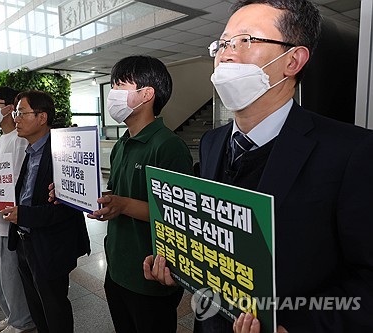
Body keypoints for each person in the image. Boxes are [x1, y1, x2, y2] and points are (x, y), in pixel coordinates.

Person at [144, 1, 373, 332]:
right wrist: (178, 266)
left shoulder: (350, 152)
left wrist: (295, 326)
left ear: (293, 60)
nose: (226, 54)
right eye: (223, 43)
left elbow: (366, 281)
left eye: (246, 40)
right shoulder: (211, 143)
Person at [88, 55, 193, 332]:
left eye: (120, 85)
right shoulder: (123, 143)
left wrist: (122, 205)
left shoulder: (168, 146)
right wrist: (98, 198)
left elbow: (177, 216)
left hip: (151, 274)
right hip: (118, 267)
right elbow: (121, 193)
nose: (112, 94)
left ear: (146, 94)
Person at [2, 90, 90, 333]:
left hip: (50, 244)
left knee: (54, 306)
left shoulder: (65, 152)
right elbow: (27, 193)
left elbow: (67, 209)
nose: (16, 118)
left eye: (21, 113)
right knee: (36, 305)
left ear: (42, 117)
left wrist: (24, 215)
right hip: (23, 241)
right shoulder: (30, 150)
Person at [0, 86, 35, 333]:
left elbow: (23, 181)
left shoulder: (20, 141)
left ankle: (21, 320)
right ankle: (11, 314)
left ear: (11, 107)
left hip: (11, 220)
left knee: (13, 275)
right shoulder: (1, 140)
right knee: (0, 274)